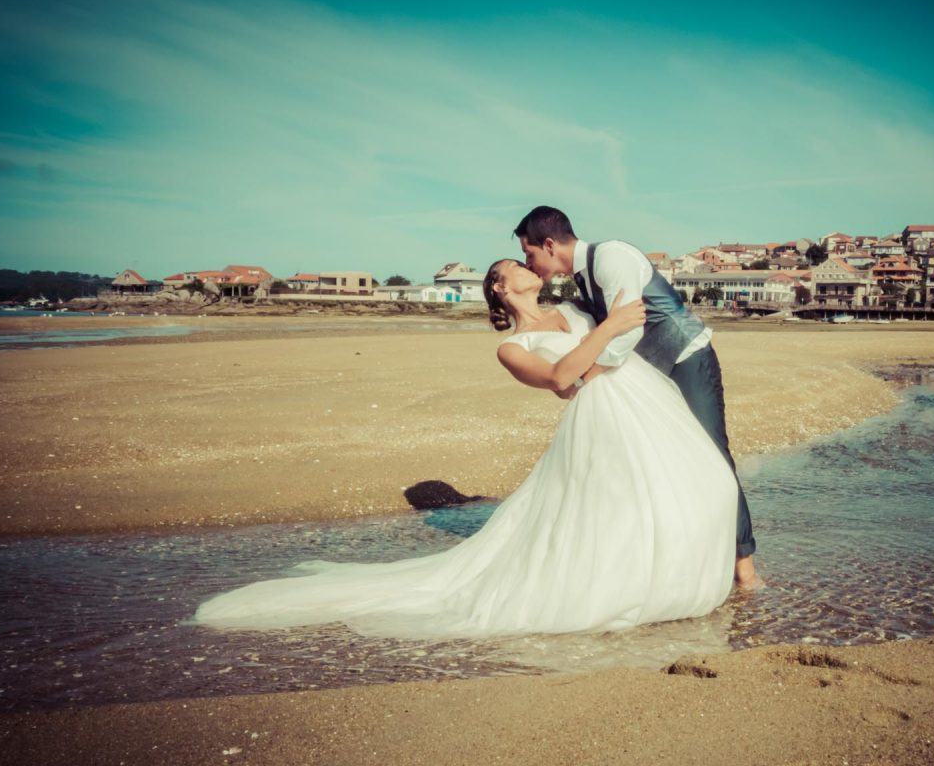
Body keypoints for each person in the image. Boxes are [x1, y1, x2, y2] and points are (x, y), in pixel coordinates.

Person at [187, 259, 739, 639]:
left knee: (700, 485)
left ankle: (690, 573)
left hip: (642, 401)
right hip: (599, 418)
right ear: (500, 288)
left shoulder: (574, 313)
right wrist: (611, 327)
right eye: (514, 268)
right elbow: (561, 379)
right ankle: (632, 588)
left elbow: (620, 333)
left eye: (525, 262)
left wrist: (618, 323)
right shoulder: (511, 347)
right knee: (612, 508)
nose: (527, 269)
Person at [512, 205, 764, 591]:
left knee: (714, 455)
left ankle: (744, 567)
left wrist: (587, 376)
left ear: (549, 244)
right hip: (650, 376)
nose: (530, 265)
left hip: (685, 358)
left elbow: (629, 329)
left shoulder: (611, 257)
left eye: (529, 254)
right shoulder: (582, 278)